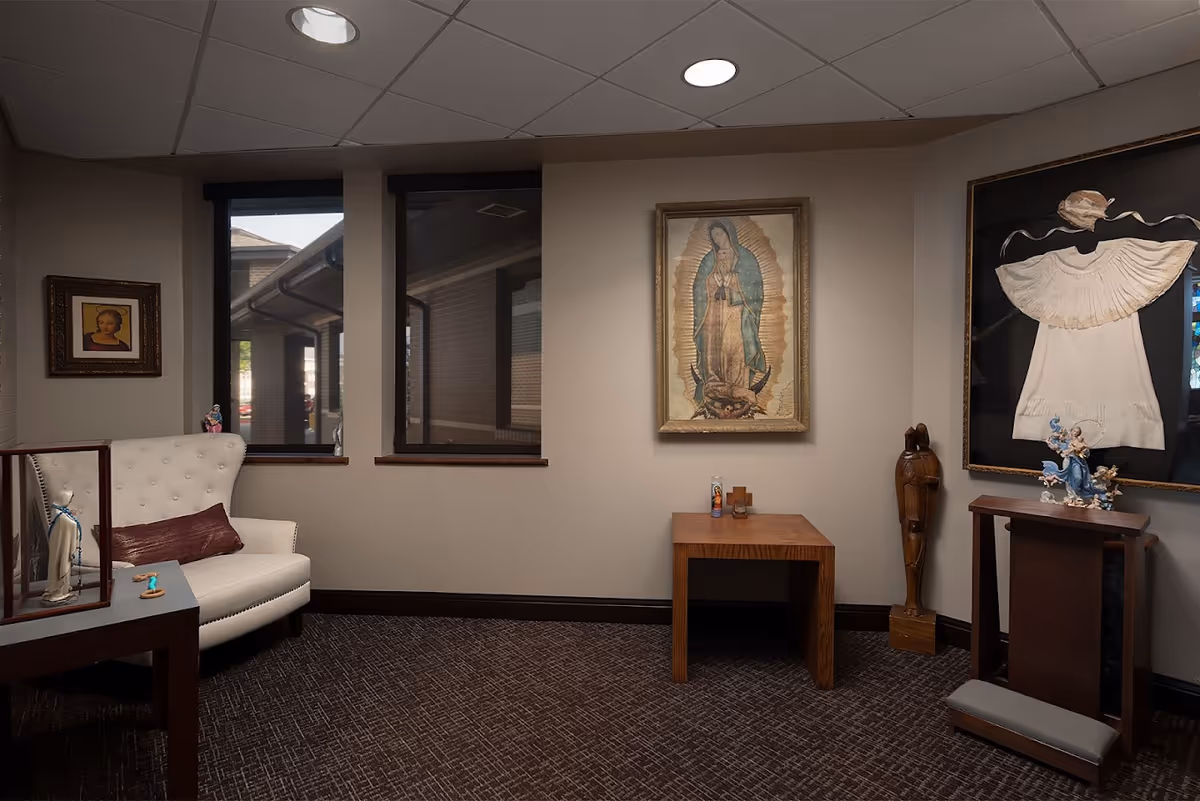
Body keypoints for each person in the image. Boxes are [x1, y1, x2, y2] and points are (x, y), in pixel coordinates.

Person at [691, 219, 765, 405]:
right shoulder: (709, 259)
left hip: (736, 312)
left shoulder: (746, 257)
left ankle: (737, 385)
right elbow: (699, 286)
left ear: (729, 233)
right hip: (714, 312)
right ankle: (715, 383)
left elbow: (754, 288)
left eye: (720, 234)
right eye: (714, 235)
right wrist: (715, 282)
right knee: (715, 347)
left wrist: (730, 282)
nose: (717, 238)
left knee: (734, 345)